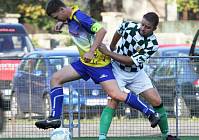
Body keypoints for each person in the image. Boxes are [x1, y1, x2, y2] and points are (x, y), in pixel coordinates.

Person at [35, 0, 160, 130]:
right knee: (56, 78)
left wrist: (91, 51)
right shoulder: (71, 17)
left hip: (99, 64)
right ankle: (55, 118)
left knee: (116, 95)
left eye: (57, 17)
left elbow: (101, 30)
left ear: (62, 10)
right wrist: (62, 22)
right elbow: (74, 23)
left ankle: (150, 113)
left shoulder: (80, 16)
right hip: (85, 63)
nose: (57, 19)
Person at [98, 12, 179, 140]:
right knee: (113, 102)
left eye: (148, 27)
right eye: (142, 24)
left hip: (136, 73)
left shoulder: (152, 44)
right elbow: (119, 31)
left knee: (157, 100)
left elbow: (130, 61)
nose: (143, 28)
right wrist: (113, 46)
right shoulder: (129, 26)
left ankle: (165, 136)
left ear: (154, 28)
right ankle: (102, 137)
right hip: (117, 70)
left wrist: (108, 53)